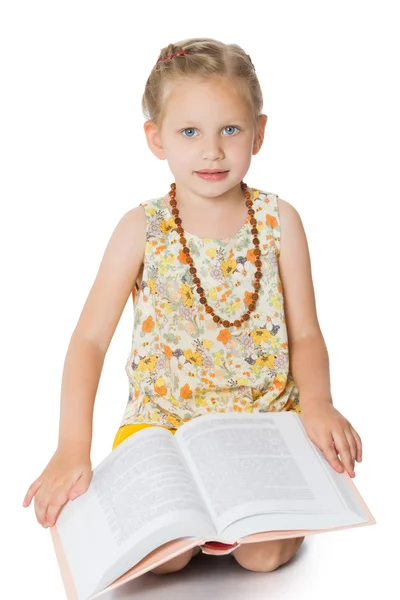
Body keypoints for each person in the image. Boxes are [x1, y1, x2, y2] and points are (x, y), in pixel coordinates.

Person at [22, 37, 363, 574]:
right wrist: (71, 445)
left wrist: (317, 402)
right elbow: (89, 340)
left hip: (262, 420)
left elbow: (305, 334)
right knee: (164, 559)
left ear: (260, 131)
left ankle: (237, 522)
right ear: (156, 139)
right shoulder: (141, 228)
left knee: (265, 557)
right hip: (162, 424)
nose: (212, 150)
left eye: (231, 129)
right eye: (189, 132)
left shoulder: (281, 221)